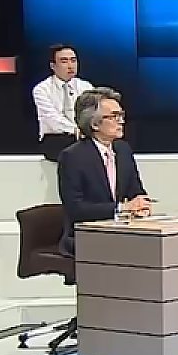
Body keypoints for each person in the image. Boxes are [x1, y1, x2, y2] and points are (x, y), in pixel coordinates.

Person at [57, 87, 151, 257]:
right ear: (94, 124)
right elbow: (76, 208)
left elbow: (136, 191)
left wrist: (141, 205)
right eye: (114, 116)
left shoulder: (123, 150)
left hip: (121, 231)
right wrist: (121, 208)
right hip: (85, 236)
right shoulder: (72, 156)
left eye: (121, 115)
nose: (121, 121)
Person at [31, 44, 94, 162]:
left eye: (73, 60)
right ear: (53, 66)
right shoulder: (42, 89)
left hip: (82, 137)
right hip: (55, 138)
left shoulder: (86, 87)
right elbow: (51, 118)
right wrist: (75, 129)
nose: (70, 65)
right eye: (64, 61)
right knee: (74, 150)